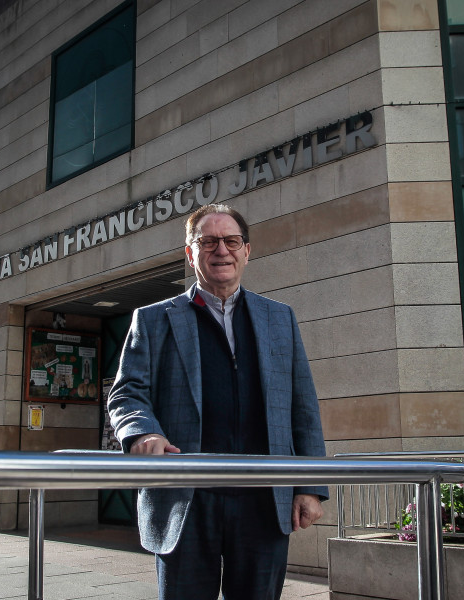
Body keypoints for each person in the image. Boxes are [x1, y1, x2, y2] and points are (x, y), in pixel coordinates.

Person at [107, 203, 328, 600]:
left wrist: (309, 486)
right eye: (208, 242)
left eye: (231, 241)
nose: (220, 250)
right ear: (191, 254)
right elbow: (126, 393)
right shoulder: (152, 319)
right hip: (185, 499)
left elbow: (302, 406)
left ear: (247, 251)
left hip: (264, 499)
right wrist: (143, 433)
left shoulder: (280, 318)